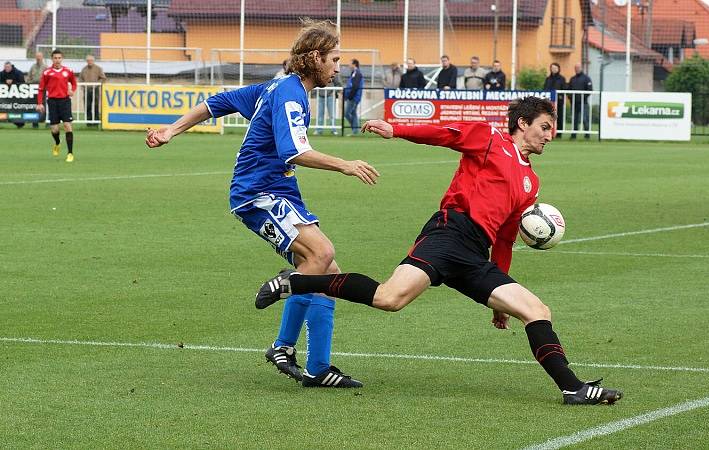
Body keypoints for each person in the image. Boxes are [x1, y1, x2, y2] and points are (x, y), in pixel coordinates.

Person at [258, 97, 623, 405]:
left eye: (552, 128)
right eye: (544, 126)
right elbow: (446, 134)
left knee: (536, 310)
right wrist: (396, 129)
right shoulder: (491, 139)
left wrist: (499, 301)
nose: (550, 134)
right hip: (449, 233)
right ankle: (297, 282)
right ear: (522, 123)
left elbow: (507, 237)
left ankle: (573, 389)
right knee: (390, 298)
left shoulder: (531, 181)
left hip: (476, 255)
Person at [145, 19, 380, 388]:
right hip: (258, 194)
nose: (338, 68)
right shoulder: (288, 92)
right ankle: (284, 340)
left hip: (277, 191)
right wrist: (346, 165)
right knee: (321, 255)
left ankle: (316, 368)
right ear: (314, 57)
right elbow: (295, 150)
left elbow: (217, 102)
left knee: (327, 270)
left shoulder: (278, 87)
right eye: (334, 59)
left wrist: (172, 130)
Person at [36, 50, 77, 162]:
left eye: (59, 58)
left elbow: (74, 83)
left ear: (62, 58)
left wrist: (72, 90)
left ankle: (70, 153)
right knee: (54, 129)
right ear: (52, 59)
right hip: (52, 102)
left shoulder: (68, 71)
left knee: (68, 126)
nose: (57, 60)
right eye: (55, 58)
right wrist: (39, 103)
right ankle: (58, 143)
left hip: (65, 101)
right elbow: (41, 89)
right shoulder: (47, 72)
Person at [78, 54, 107, 126]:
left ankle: (96, 122)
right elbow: (80, 78)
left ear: (93, 61)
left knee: (96, 105)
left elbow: (103, 78)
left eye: (91, 60)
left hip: (95, 89)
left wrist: (97, 84)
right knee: (87, 105)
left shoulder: (98, 68)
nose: (89, 62)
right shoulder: (84, 69)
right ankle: (89, 122)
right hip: (87, 89)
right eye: (88, 60)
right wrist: (82, 86)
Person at [568, 63, 593, 140]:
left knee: (585, 119)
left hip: (584, 103)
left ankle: (587, 135)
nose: (577, 69)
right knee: (574, 119)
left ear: (581, 68)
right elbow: (568, 90)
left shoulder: (587, 78)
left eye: (578, 67)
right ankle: (573, 135)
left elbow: (590, 90)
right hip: (574, 103)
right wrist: (571, 98)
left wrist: (583, 98)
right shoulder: (572, 79)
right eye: (575, 68)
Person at [543, 63, 568, 138]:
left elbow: (564, 89)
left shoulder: (562, 79)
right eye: (552, 68)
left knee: (559, 117)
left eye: (555, 68)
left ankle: (559, 134)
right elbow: (545, 89)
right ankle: (548, 132)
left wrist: (560, 97)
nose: (553, 69)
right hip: (549, 102)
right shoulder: (548, 79)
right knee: (548, 117)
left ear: (558, 69)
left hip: (558, 102)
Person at [2, 61, 27, 128]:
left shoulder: (18, 73)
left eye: (8, 67)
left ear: (11, 67)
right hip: (4, 97)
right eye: (5, 67)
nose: (6, 68)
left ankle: (20, 123)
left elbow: (22, 83)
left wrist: (13, 82)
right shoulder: (2, 73)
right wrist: (5, 82)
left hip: (16, 96)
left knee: (16, 109)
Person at [27, 52, 47, 128]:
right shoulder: (33, 67)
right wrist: (29, 83)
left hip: (43, 89)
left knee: (44, 105)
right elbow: (28, 77)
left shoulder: (45, 67)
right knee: (34, 105)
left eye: (40, 56)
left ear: (42, 57)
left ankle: (45, 120)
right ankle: (35, 123)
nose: (38, 58)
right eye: (37, 56)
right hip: (33, 89)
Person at [344, 58, 363, 135]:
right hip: (353, 96)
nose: (349, 65)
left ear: (354, 64)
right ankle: (356, 130)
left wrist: (350, 96)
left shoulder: (357, 74)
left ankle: (355, 129)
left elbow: (355, 86)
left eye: (350, 63)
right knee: (353, 113)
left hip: (354, 97)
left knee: (347, 113)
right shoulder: (354, 73)